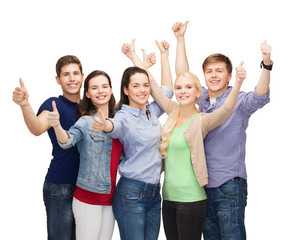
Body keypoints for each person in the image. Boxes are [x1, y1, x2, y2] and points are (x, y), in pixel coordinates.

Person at [122, 39, 245, 240]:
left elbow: (226, 110)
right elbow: (153, 86)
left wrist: (238, 84)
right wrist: (133, 57)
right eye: (179, 88)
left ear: (198, 92)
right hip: (168, 199)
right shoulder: (172, 112)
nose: (182, 91)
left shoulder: (202, 121)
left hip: (192, 200)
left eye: (188, 87)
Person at [172, 21, 271, 240]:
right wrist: (180, 40)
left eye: (219, 71)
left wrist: (266, 64)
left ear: (229, 76)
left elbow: (260, 95)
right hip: (203, 187)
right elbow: (183, 76)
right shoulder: (204, 98)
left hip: (229, 186)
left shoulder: (239, 101)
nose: (214, 75)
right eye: (209, 71)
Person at [92, 39, 174, 240]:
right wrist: (105, 125)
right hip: (131, 193)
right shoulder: (123, 117)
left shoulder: (151, 112)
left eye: (146, 85)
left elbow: (167, 92)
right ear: (126, 90)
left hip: (155, 193)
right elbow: (115, 127)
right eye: (136, 86)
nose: (143, 90)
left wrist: (164, 56)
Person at [12, 55, 84, 240]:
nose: (72, 78)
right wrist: (25, 105)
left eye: (76, 73)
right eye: (66, 75)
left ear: (82, 77)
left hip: (86, 188)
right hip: (61, 186)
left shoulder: (90, 107)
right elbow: (36, 128)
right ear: (58, 80)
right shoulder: (54, 104)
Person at [47, 70, 123, 240]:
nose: (101, 91)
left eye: (104, 86)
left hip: (110, 201)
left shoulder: (118, 121)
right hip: (88, 199)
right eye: (94, 88)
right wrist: (57, 126)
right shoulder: (85, 121)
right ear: (87, 94)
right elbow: (67, 140)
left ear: (111, 89)